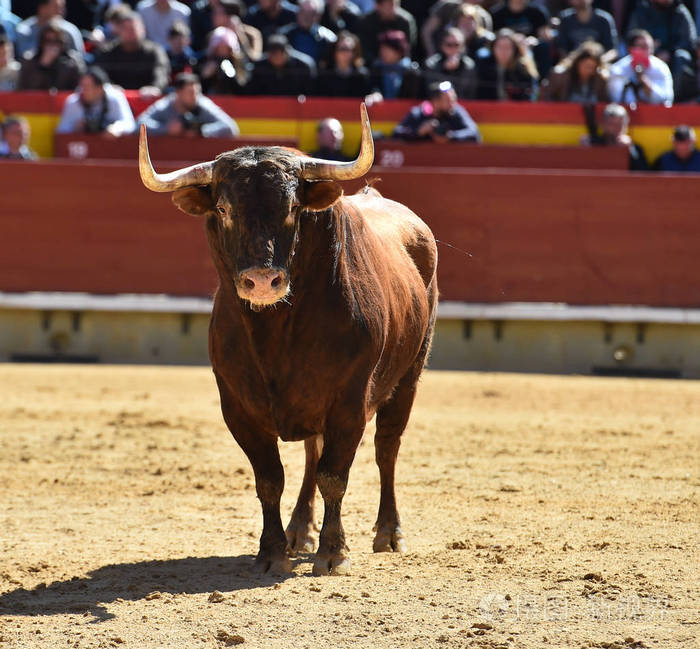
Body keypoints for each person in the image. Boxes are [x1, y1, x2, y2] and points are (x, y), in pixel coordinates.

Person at [626, 0, 696, 96]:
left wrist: (670, 52)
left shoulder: (680, 12)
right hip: (647, 54)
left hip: (673, 58)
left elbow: (689, 41)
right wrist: (651, 49)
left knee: (682, 56)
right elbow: (632, 37)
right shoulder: (641, 12)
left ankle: (672, 98)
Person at [137, 72, 239, 137]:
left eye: (197, 92)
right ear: (178, 93)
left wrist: (201, 131)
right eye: (190, 93)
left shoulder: (203, 104)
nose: (195, 97)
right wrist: (166, 129)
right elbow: (139, 124)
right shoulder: (165, 105)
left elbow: (231, 127)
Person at [94, 10, 170, 94]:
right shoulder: (107, 52)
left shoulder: (154, 51)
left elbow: (161, 73)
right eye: (126, 29)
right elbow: (100, 74)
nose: (130, 32)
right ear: (119, 31)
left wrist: (155, 87)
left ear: (143, 29)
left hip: (148, 101)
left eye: (134, 28)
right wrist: (109, 87)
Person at [56, 66, 136, 137]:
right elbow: (61, 132)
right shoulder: (74, 101)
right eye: (82, 86)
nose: (83, 91)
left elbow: (130, 124)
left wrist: (116, 128)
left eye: (87, 87)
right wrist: (75, 129)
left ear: (100, 88)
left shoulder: (114, 97)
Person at [392, 80, 481, 142]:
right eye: (448, 101)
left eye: (453, 99)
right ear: (435, 102)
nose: (452, 104)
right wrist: (418, 132)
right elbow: (396, 133)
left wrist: (450, 137)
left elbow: (474, 133)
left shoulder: (456, 112)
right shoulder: (419, 113)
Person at [608, 29, 673, 106]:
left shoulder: (661, 68)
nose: (644, 51)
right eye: (640, 47)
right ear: (630, 49)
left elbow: (665, 99)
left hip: (655, 113)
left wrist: (643, 79)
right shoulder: (618, 69)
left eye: (647, 47)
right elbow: (616, 98)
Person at [16, 20, 85, 90]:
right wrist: (43, 65)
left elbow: (78, 88)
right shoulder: (29, 60)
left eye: (56, 41)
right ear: (41, 42)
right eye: (48, 41)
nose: (52, 45)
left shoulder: (73, 62)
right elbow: (26, 88)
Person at [580, 102, 648, 170]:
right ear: (603, 124)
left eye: (619, 125)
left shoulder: (635, 149)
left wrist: (630, 149)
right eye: (611, 124)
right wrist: (585, 151)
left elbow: (644, 173)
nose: (615, 128)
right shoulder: (593, 144)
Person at [476, 28, 539, 100]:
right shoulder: (484, 66)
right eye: (500, 47)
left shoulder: (524, 69)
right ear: (493, 48)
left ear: (514, 50)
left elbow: (530, 97)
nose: (503, 51)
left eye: (507, 47)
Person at [540, 40, 610, 101]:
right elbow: (546, 98)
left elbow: (604, 102)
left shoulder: (600, 79)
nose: (589, 70)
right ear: (577, 63)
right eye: (586, 66)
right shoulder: (560, 76)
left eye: (593, 67)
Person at [246, 33, 316, 95]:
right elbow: (253, 92)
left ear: (286, 53)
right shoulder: (259, 67)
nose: (276, 58)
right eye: (273, 54)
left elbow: (310, 92)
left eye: (278, 54)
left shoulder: (303, 66)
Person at [14, 0, 84, 58]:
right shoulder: (24, 30)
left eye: (62, 7)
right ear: (42, 8)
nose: (60, 12)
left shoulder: (70, 31)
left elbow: (79, 59)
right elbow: (24, 58)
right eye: (56, 7)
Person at [422, 26, 477, 99]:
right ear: (442, 46)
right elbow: (432, 92)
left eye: (457, 45)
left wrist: (458, 71)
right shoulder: (431, 64)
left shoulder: (469, 66)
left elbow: (467, 93)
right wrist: (445, 70)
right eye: (449, 45)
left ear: (463, 47)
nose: (453, 49)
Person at [357, 0, 418, 64]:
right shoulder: (366, 22)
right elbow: (364, 47)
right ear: (377, 6)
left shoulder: (405, 21)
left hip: (400, 62)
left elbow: (409, 46)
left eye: (394, 4)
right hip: (374, 62)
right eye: (388, 5)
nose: (392, 8)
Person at [367, 29, 421, 101]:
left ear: (398, 51)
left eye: (387, 49)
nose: (383, 52)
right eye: (382, 49)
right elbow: (374, 87)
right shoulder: (376, 68)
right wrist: (376, 93)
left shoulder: (411, 71)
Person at [279, 0, 337, 64]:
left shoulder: (327, 39)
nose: (306, 17)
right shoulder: (284, 35)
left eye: (311, 13)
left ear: (319, 16)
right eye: (303, 12)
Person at [315, 30, 370, 97]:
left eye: (349, 49)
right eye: (342, 49)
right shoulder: (324, 75)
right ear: (334, 52)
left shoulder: (362, 76)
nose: (345, 53)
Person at [197, 25, 249, 93]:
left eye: (226, 48)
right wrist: (204, 76)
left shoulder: (240, 62)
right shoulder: (203, 61)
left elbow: (243, 88)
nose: (222, 51)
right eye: (219, 48)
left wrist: (231, 74)